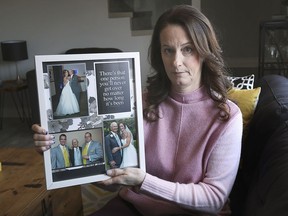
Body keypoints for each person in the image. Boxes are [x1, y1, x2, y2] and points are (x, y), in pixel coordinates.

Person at [32, 5, 242, 216]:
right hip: (135, 208)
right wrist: (53, 154)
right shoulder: (140, 103)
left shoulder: (227, 116)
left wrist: (143, 181)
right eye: (168, 50)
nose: (176, 62)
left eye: (188, 49)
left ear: (205, 52)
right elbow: (115, 181)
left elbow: (214, 199)